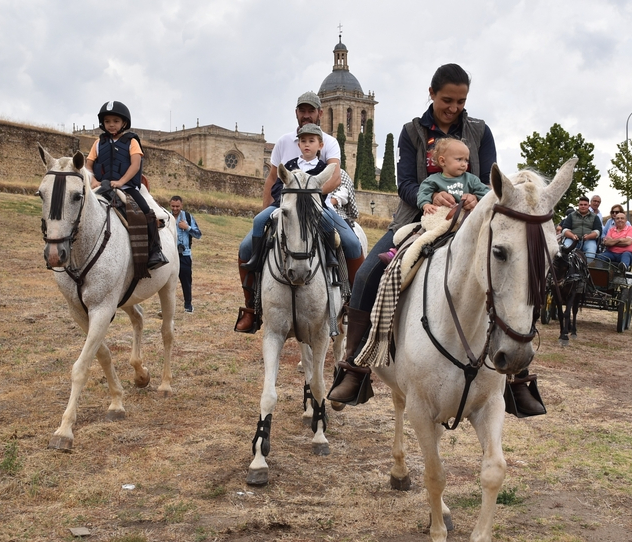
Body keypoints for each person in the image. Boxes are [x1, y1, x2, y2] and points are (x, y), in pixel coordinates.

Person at [328, 63, 551, 414]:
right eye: (448, 100)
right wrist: (428, 198)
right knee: (369, 272)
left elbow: (491, 179)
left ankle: (517, 377)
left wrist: (478, 200)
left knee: (516, 271)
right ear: (431, 94)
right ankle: (355, 366)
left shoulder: (480, 131)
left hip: (471, 224)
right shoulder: (411, 132)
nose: (454, 107)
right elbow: (404, 182)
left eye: (461, 101)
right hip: (419, 220)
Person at [233, 96, 363, 333]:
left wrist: (308, 199)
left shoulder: (329, 142)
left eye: (310, 111)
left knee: (353, 244)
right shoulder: (284, 142)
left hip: (319, 206)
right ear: (296, 113)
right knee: (245, 247)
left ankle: (353, 306)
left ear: (320, 114)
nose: (306, 115)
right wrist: (267, 209)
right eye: (302, 111)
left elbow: (334, 177)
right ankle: (251, 307)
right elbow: (272, 179)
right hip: (284, 205)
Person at [85, 101, 168, 270]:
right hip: (102, 186)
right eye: (107, 121)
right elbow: (89, 164)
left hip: (127, 187)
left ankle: (155, 251)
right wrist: (93, 180)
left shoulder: (132, 142)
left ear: (124, 123)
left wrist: (121, 182)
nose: (111, 125)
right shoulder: (98, 143)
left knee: (146, 211)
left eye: (115, 121)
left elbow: (135, 165)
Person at [418, 137, 489, 214]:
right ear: (442, 161)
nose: (464, 164)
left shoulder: (471, 179)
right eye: (459, 159)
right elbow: (423, 192)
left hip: (466, 217)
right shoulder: (433, 180)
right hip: (442, 216)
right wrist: (426, 205)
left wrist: (476, 198)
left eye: (466, 160)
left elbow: (486, 193)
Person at [169, 196, 202, 313]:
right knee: (167, 282)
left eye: (177, 206)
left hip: (185, 254)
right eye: (173, 206)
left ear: (181, 205)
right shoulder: (166, 216)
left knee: (186, 281)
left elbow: (198, 234)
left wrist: (187, 227)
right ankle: (167, 307)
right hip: (170, 254)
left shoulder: (188, 217)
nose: (175, 208)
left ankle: (188, 305)